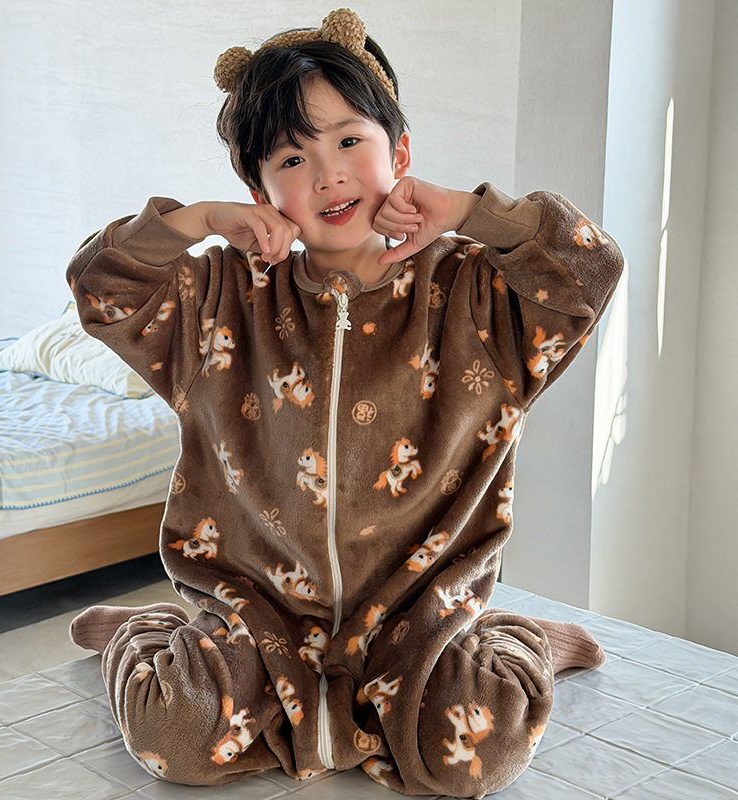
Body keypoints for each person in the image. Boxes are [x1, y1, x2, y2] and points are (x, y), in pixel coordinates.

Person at [67, 8, 622, 797]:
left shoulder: (474, 295)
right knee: (177, 740)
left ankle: (521, 638)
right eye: (292, 158)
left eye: (349, 141)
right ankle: (147, 631)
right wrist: (199, 222)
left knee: (475, 757)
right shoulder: (220, 298)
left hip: (418, 619)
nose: (327, 174)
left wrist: (470, 213)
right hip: (258, 620)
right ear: (260, 191)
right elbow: (101, 287)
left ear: (400, 153)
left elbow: (588, 268)